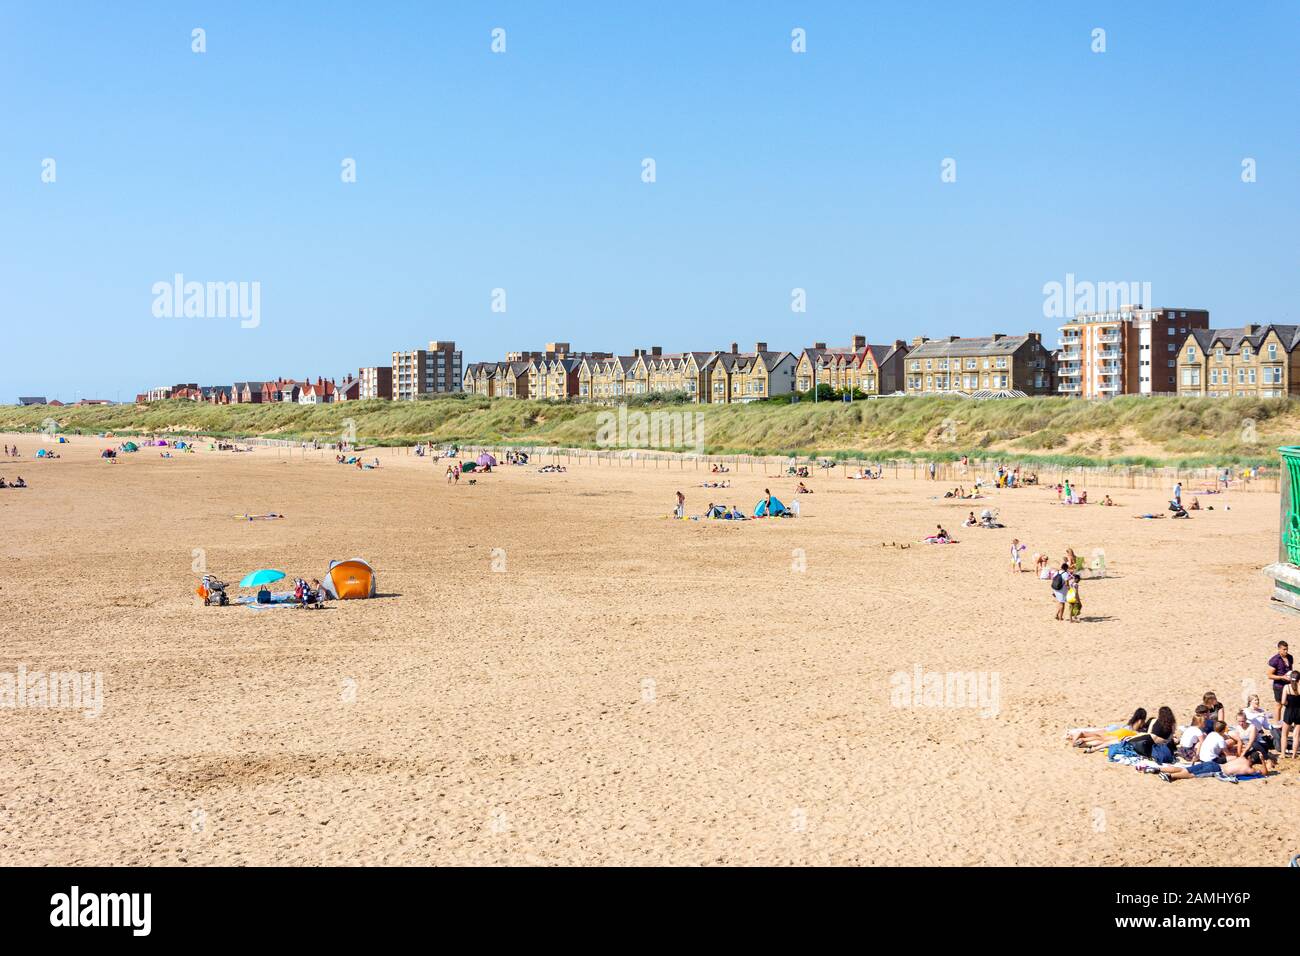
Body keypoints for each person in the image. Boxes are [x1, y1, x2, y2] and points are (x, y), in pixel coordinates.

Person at [1267, 641, 1293, 721]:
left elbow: (1290, 669)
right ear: (1279, 649)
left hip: (1289, 685)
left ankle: (1289, 722)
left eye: (1287, 649)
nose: (1286, 651)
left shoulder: (1290, 657)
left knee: (1291, 704)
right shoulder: (1275, 660)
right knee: (1279, 705)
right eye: (1284, 649)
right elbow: (1269, 675)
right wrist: (1282, 677)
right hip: (1279, 686)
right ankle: (1277, 724)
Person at [1280, 672, 1300, 758]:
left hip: (1289, 711)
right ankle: (1294, 755)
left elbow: (1283, 702)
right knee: (1296, 736)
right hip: (1299, 712)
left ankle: (1283, 754)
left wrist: (1288, 703)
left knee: (1284, 734)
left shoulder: (1286, 687)